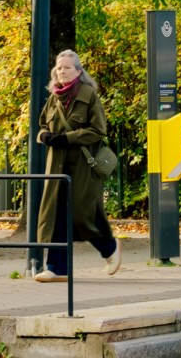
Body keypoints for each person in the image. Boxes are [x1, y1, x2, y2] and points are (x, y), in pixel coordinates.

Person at [35, 48, 120, 282]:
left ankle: (109, 248)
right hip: (56, 166)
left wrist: (66, 138)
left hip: (82, 165)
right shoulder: (53, 97)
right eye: (59, 68)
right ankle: (55, 268)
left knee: (83, 213)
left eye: (67, 67)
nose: (62, 71)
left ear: (78, 71)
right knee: (56, 214)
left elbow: (98, 130)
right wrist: (44, 136)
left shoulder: (88, 95)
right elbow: (42, 124)